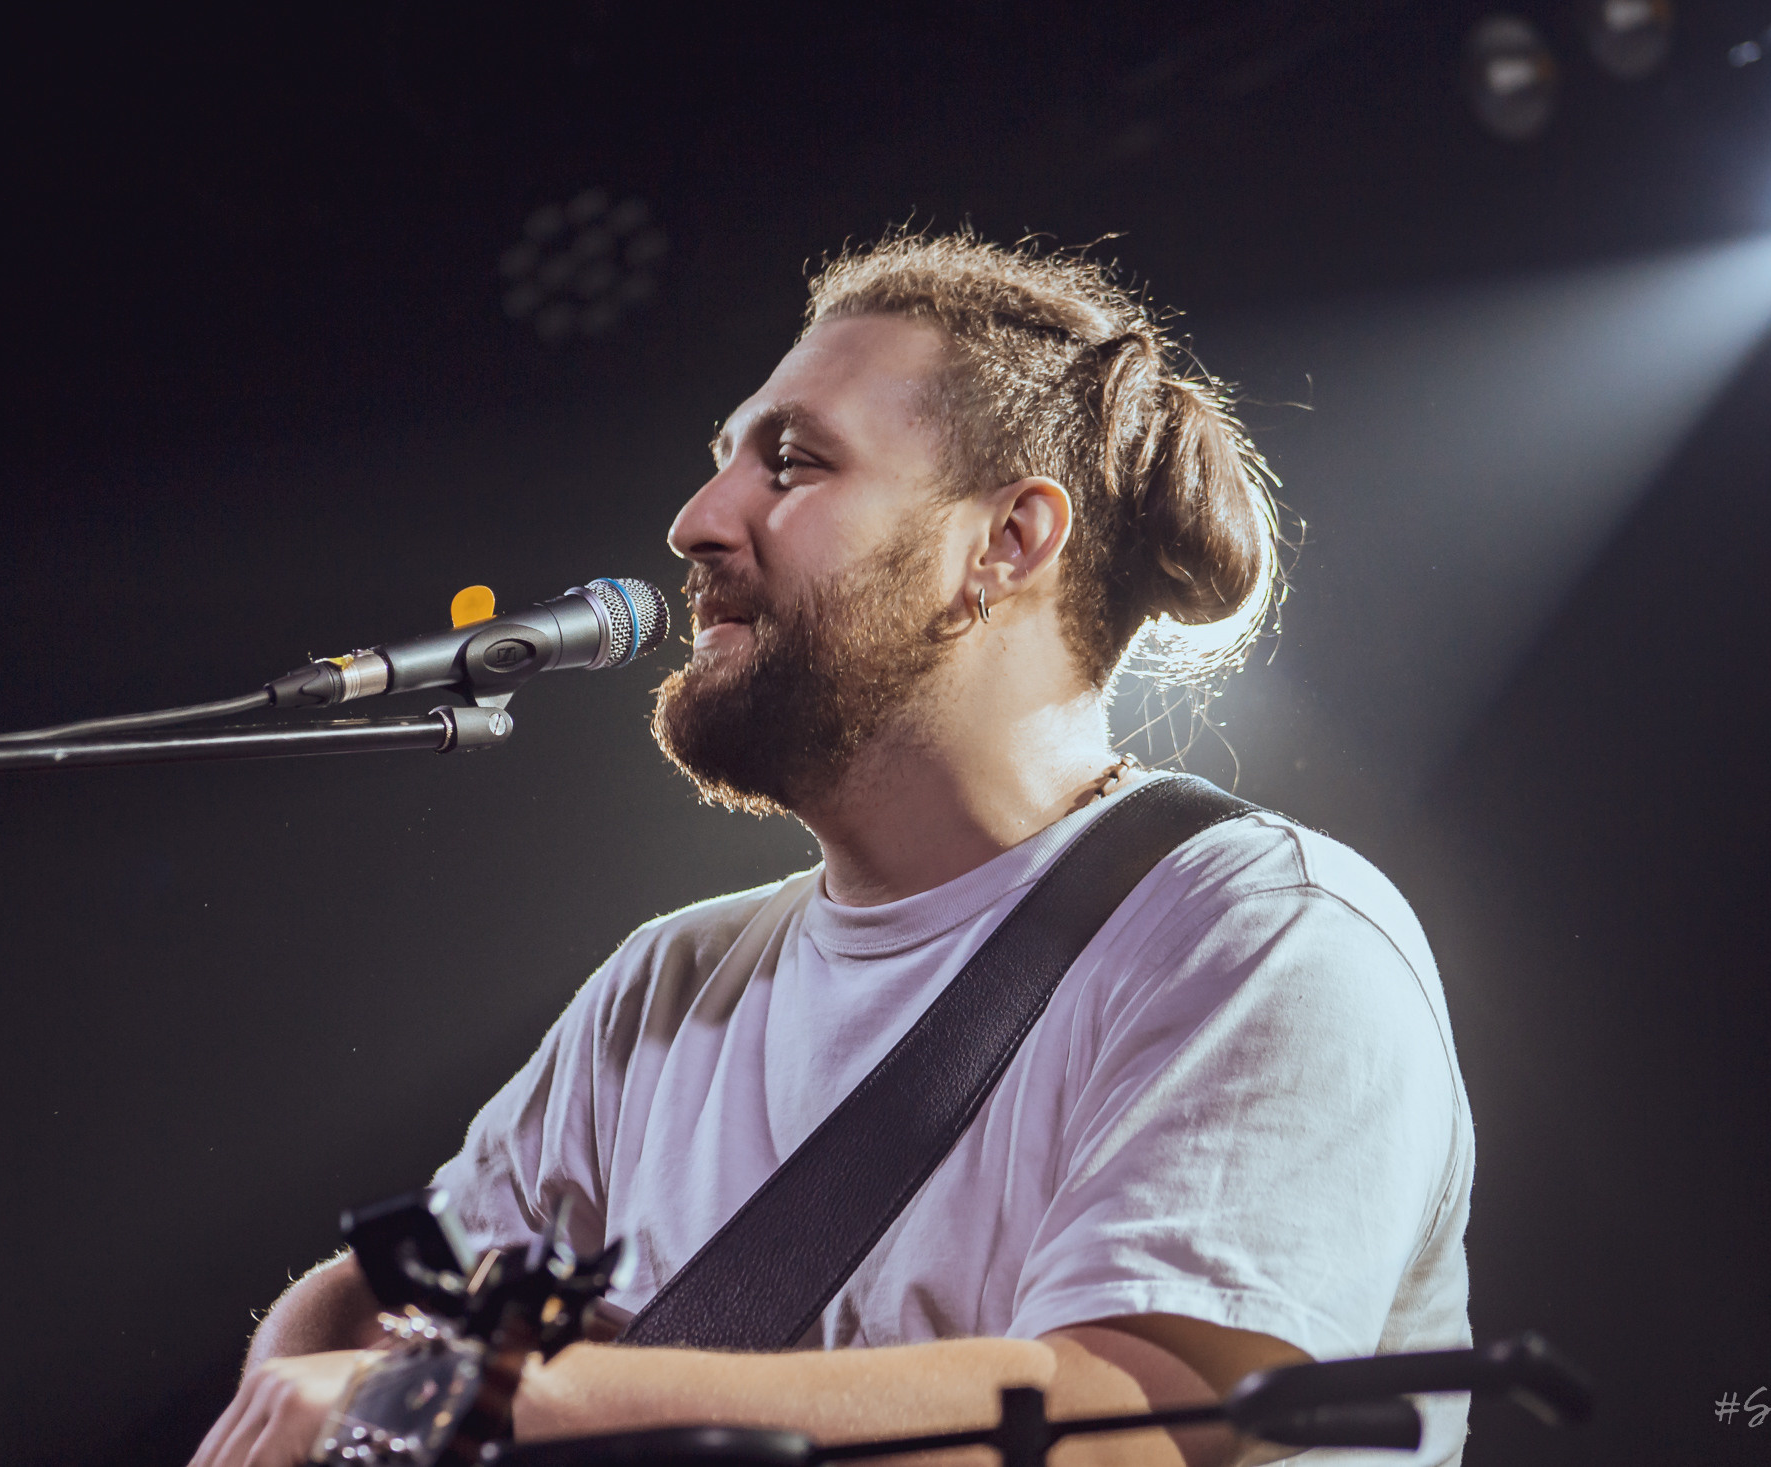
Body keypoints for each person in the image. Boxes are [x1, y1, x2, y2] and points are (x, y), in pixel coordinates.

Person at [189, 233, 1474, 1467]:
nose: (696, 519)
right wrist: (304, 1376)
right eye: (721, 460)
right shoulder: (665, 986)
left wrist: (502, 1397)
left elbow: (1134, 1416)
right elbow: (380, 1307)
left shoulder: (1262, 937)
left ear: (1007, 542)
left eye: (792, 464)